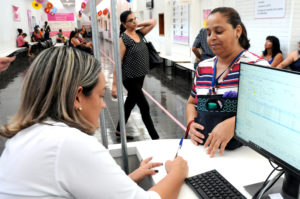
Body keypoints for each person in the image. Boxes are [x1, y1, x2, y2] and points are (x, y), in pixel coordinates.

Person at [0, 46, 188, 199]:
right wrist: (177, 173)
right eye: (100, 96)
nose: (104, 105)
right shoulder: (68, 143)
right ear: (77, 97)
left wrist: (127, 180)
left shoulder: (25, 137)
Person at [186, 7, 269, 158]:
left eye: (218, 31)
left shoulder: (257, 67)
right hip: (204, 152)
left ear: (237, 31)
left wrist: (235, 124)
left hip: (245, 155)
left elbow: (267, 112)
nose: (211, 38)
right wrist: (191, 123)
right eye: (209, 33)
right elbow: (191, 102)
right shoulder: (203, 67)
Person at [112, 10, 159, 140]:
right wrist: (114, 85)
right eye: (130, 20)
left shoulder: (139, 33)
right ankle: (155, 137)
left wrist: (136, 24)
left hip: (140, 76)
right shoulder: (123, 39)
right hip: (129, 78)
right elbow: (118, 61)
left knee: (130, 104)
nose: (134, 22)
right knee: (144, 105)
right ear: (123, 23)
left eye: (135, 19)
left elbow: (153, 22)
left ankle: (119, 129)